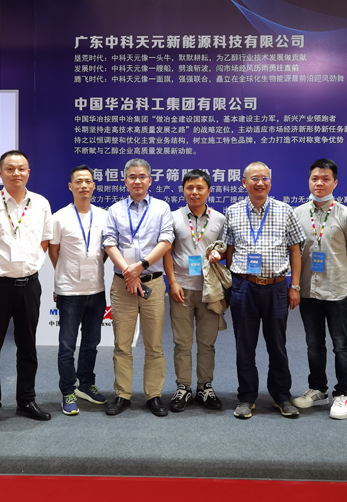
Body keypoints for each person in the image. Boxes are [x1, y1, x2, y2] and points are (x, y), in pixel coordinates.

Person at [210, 161, 305, 419]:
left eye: (264, 178)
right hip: (244, 287)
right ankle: (247, 397)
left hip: (276, 287)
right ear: (244, 182)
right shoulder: (233, 211)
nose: (260, 183)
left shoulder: (285, 211)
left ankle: (282, 396)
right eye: (254, 178)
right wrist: (232, 283)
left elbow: (295, 250)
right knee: (245, 345)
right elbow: (229, 249)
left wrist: (294, 286)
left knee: (277, 345)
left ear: (270, 182)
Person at [0, 150, 53, 433]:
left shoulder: (41, 203)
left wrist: (29, 265)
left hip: (29, 286)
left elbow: (45, 241)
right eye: (10, 168)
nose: (16, 173)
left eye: (21, 168)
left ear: (29, 172)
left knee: (28, 347)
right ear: (0, 173)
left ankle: (26, 401)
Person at [292, 158, 347, 420]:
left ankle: (343, 394)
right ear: (309, 181)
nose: (319, 183)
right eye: (315, 178)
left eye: (325, 179)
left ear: (335, 182)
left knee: (341, 344)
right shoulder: (297, 214)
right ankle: (318, 389)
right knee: (313, 344)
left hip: (336, 291)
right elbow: (295, 253)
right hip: (308, 290)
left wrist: (342, 278)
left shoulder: (346, 215)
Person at [102, 159, 174, 417]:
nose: (137, 181)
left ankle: (153, 395)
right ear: (125, 181)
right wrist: (128, 272)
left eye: (142, 176)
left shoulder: (162, 208)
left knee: (154, 345)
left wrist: (140, 266)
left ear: (150, 180)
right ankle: (122, 394)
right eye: (132, 177)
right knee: (122, 344)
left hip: (152, 282)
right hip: (123, 285)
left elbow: (166, 241)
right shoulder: (114, 210)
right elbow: (109, 242)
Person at [48, 165, 108, 416]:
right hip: (69, 292)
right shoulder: (59, 217)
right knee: (67, 346)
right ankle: (67, 391)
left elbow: (105, 251)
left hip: (96, 290)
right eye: (79, 181)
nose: (84, 185)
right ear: (70, 186)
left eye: (88, 181)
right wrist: (66, 273)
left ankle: (86, 385)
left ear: (94, 185)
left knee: (91, 343)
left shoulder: (104, 215)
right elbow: (53, 251)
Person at [164, 169, 226, 413]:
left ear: (208, 191)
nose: (194, 192)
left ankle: (204, 387)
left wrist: (219, 254)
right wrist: (172, 282)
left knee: (207, 342)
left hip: (210, 291)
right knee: (182, 342)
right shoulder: (173, 217)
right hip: (181, 289)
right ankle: (183, 387)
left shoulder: (219, 219)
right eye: (189, 188)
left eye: (200, 188)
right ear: (183, 190)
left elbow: (227, 250)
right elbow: (167, 252)